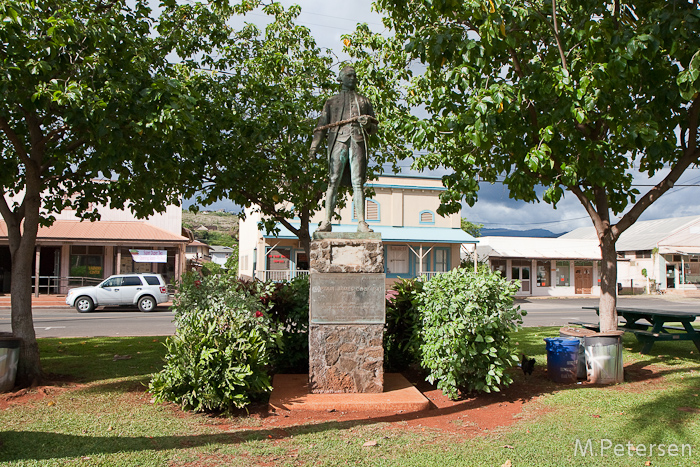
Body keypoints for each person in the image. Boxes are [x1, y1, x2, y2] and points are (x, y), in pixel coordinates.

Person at [309, 65, 378, 232]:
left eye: (354, 76)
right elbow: (321, 126)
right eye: (349, 75)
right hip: (338, 141)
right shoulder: (331, 102)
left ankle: (361, 222)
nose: (353, 78)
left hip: (357, 141)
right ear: (340, 78)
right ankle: (326, 221)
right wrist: (313, 148)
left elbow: (374, 128)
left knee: (358, 182)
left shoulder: (364, 101)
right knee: (333, 180)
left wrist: (368, 124)